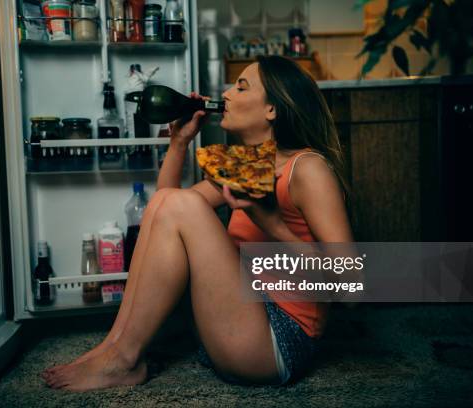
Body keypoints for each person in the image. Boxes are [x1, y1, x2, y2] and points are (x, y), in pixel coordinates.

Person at [42, 55, 353, 391]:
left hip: (278, 341)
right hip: (233, 321)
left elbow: (352, 285)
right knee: (172, 203)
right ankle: (113, 349)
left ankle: (122, 359)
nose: (227, 93)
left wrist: (274, 224)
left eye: (242, 86)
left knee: (182, 204)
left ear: (272, 110)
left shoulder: (307, 168)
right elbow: (164, 217)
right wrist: (179, 144)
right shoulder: (247, 164)